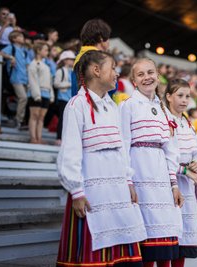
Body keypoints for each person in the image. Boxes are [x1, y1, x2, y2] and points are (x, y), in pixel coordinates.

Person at [56, 50, 147, 267]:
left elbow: (121, 149)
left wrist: (128, 180)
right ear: (96, 70)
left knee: (122, 253)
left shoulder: (112, 106)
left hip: (116, 189)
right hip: (91, 191)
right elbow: (70, 151)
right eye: (112, 68)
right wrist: (76, 191)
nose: (116, 74)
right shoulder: (77, 105)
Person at [120, 58, 184, 267]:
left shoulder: (163, 109)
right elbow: (123, 145)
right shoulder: (127, 106)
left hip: (162, 178)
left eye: (150, 72)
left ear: (158, 75)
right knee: (146, 240)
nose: (147, 77)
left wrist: (174, 184)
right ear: (134, 81)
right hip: (139, 173)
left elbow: (170, 149)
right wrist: (128, 181)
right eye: (140, 74)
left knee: (164, 240)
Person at [165, 78, 197, 267]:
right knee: (168, 234)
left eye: (187, 96)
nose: (184, 100)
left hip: (187, 186)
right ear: (168, 96)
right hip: (169, 183)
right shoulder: (165, 121)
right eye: (179, 95)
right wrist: (185, 170)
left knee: (183, 238)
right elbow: (164, 156)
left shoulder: (188, 125)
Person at [0, 30, 30, 128]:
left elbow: (28, 65)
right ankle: (18, 120)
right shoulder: (11, 47)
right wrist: (10, 57)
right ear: (14, 39)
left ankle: (20, 120)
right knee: (23, 97)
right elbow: (0, 53)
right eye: (20, 37)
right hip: (16, 78)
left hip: (25, 78)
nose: (23, 38)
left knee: (24, 99)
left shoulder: (24, 50)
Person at [72, 19, 112, 96]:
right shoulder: (99, 58)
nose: (109, 42)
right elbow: (112, 87)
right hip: (94, 104)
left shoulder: (81, 55)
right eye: (108, 38)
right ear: (101, 38)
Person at [27, 41, 54, 144]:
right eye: (45, 50)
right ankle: (33, 138)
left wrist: (51, 95)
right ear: (38, 50)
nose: (47, 52)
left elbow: (49, 81)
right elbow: (33, 80)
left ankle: (39, 138)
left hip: (46, 92)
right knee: (34, 116)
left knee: (41, 117)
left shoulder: (46, 65)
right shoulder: (33, 64)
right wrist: (37, 95)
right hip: (36, 93)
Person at [53, 50, 75, 145]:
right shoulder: (60, 71)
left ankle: (66, 138)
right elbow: (56, 84)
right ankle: (59, 138)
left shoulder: (72, 71)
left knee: (69, 120)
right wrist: (69, 84)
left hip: (70, 98)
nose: (72, 61)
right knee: (62, 118)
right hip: (63, 98)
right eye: (70, 59)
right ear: (65, 60)